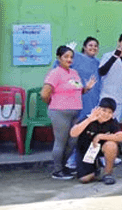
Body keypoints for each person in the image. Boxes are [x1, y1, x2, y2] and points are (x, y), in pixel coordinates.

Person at [41, 45, 97, 180]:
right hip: (60, 112)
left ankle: (63, 166)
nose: (69, 59)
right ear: (59, 58)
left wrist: (86, 88)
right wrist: (53, 103)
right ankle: (57, 170)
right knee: (61, 141)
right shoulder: (55, 73)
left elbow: (77, 90)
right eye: (66, 56)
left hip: (75, 111)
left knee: (72, 141)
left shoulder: (74, 73)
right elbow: (44, 94)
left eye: (71, 57)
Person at [52, 37, 103, 171]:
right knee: (73, 133)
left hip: (92, 98)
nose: (93, 48)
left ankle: (86, 161)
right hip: (75, 103)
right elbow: (57, 67)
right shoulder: (76, 58)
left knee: (88, 131)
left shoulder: (98, 63)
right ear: (84, 47)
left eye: (96, 46)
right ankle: (68, 162)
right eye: (90, 45)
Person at [70, 98, 122, 185]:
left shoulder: (112, 121)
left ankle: (108, 174)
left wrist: (100, 136)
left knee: (111, 145)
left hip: (101, 149)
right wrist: (89, 120)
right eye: (104, 110)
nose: (106, 114)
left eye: (110, 112)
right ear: (98, 109)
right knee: (85, 179)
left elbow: (120, 137)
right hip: (87, 151)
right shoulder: (88, 118)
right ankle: (97, 169)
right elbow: (73, 133)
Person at [98, 33, 122, 125]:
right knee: (103, 122)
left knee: (115, 123)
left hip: (119, 97)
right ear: (119, 42)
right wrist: (114, 57)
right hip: (107, 95)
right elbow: (101, 72)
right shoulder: (107, 55)